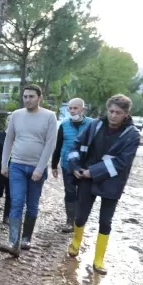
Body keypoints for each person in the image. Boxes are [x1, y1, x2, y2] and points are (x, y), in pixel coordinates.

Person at [67, 94, 140, 275]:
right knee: (80, 215)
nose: (113, 115)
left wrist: (94, 171)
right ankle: (75, 243)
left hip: (112, 182)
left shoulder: (132, 135)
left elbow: (122, 162)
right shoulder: (95, 125)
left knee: (105, 221)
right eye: (111, 111)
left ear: (126, 114)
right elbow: (77, 145)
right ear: (107, 110)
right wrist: (75, 166)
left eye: (118, 112)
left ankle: (99, 259)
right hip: (86, 177)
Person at [0, 84, 58, 256]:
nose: (27, 100)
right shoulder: (16, 115)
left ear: (40, 97)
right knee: (16, 202)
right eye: (25, 97)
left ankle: (26, 238)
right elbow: (9, 139)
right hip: (17, 165)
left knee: (32, 204)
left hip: (36, 168)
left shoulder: (49, 116)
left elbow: (50, 144)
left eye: (31, 96)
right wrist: (5, 164)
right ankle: (13, 242)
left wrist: (40, 168)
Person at [51, 98, 93, 232]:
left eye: (76, 108)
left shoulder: (92, 124)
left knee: (83, 194)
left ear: (83, 109)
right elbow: (58, 146)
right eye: (70, 108)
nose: (73, 111)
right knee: (69, 192)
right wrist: (53, 165)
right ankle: (70, 221)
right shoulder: (64, 125)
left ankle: (79, 221)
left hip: (85, 166)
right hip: (67, 164)